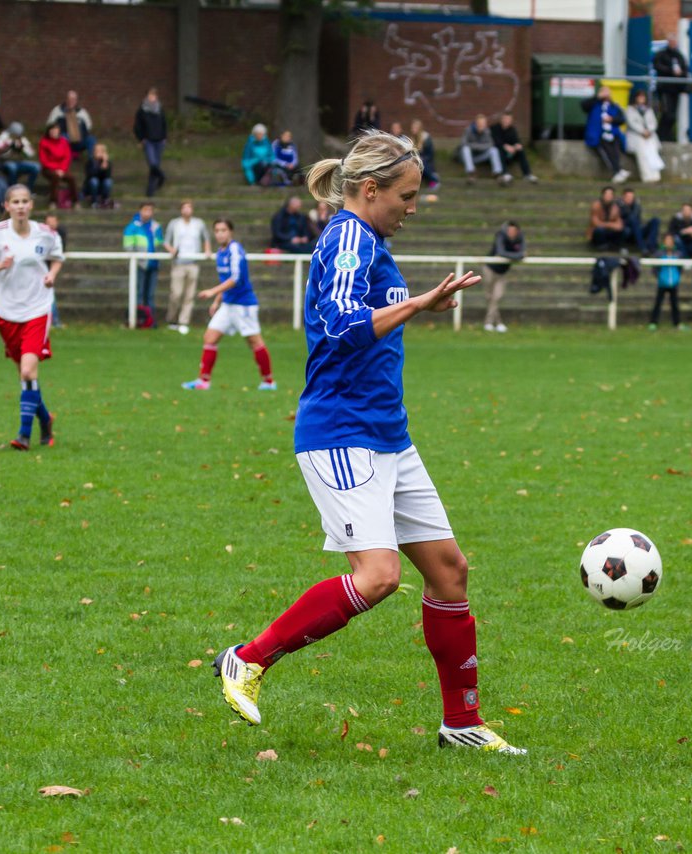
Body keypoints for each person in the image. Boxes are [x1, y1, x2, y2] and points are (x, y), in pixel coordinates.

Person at [213, 129, 525, 756]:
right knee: (378, 575)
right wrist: (419, 303)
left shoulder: (369, 238)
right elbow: (342, 326)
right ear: (370, 189)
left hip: (388, 433)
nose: (414, 206)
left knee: (449, 573)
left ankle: (461, 724)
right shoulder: (348, 236)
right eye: (406, 196)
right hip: (340, 434)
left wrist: (416, 304)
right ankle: (245, 659)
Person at [0, 184, 63, 451]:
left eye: (25, 201)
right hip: (7, 311)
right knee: (26, 377)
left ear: (31, 205)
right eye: (15, 202)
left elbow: (57, 258)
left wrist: (52, 275)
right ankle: (45, 419)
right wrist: (0, 265)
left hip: (37, 308)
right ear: (7, 206)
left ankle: (24, 435)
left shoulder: (45, 234)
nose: (20, 206)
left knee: (27, 371)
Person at [181, 219, 277, 392]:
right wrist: (217, 301)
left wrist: (212, 292)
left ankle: (268, 382)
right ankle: (203, 381)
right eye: (217, 230)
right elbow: (225, 281)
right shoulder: (220, 252)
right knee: (209, 337)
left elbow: (235, 278)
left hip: (243, 305)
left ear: (230, 232)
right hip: (228, 304)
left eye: (223, 230)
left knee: (254, 342)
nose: (220, 233)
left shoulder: (235, 250)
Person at [163, 199, 212, 335]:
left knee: (189, 295)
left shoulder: (198, 223)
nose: (187, 210)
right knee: (176, 293)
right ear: (181, 210)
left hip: (193, 262)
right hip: (178, 262)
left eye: (189, 207)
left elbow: (206, 238)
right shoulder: (174, 223)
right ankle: (172, 319)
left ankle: (184, 321)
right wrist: (172, 250)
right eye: (184, 207)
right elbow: (166, 241)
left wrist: (207, 250)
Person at [124, 201, 164, 328]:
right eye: (145, 210)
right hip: (140, 264)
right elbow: (128, 246)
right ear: (140, 211)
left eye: (150, 210)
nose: (147, 212)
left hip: (153, 264)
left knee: (150, 295)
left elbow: (159, 244)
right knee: (140, 293)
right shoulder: (132, 227)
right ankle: (138, 320)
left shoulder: (156, 227)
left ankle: (150, 321)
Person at [481, 221, 525, 333]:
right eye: (509, 230)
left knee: (497, 297)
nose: (511, 233)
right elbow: (501, 252)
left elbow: (522, 253)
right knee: (490, 297)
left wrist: (515, 256)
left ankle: (490, 323)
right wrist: (517, 256)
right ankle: (497, 323)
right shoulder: (500, 236)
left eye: (513, 231)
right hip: (489, 269)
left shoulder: (520, 238)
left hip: (503, 273)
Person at [584, 85, 628, 182]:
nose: (605, 94)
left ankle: (618, 170)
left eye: (607, 92)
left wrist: (612, 119)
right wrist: (597, 97)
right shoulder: (594, 104)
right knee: (606, 151)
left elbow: (622, 119)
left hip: (613, 134)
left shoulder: (614, 106)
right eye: (603, 92)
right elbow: (584, 105)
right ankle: (617, 171)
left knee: (615, 151)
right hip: (597, 135)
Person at [652, 34, 692, 142]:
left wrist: (681, 74)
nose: (673, 44)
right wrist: (671, 71)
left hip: (676, 90)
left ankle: (667, 136)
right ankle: (659, 135)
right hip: (664, 89)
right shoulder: (661, 54)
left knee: (673, 115)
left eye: (675, 42)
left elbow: (685, 70)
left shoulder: (679, 56)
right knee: (666, 113)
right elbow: (657, 66)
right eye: (671, 42)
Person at [133, 87, 167, 197]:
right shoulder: (142, 110)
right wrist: (141, 138)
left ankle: (150, 190)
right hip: (149, 141)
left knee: (156, 164)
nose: (152, 97)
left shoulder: (160, 109)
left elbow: (164, 124)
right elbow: (137, 126)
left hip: (159, 141)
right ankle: (161, 176)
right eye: (150, 95)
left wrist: (164, 137)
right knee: (152, 163)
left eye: (154, 95)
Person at [624, 90, 663, 184]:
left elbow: (653, 123)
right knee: (642, 155)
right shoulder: (630, 109)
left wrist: (649, 131)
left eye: (643, 97)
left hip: (649, 136)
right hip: (636, 137)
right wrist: (642, 131)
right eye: (639, 97)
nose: (641, 99)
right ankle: (646, 176)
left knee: (652, 154)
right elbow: (632, 123)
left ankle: (656, 176)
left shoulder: (648, 110)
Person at [648, 232, 684, 330]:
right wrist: (660, 277)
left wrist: (677, 277)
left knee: (675, 304)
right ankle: (653, 322)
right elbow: (654, 267)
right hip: (662, 282)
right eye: (667, 240)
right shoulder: (659, 253)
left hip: (674, 283)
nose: (669, 242)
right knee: (658, 303)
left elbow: (681, 268)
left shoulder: (678, 254)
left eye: (670, 240)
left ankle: (677, 323)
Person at [460, 114, 509, 186]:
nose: (482, 125)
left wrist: (474, 146)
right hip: (467, 157)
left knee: (494, 150)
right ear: (476, 123)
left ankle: (497, 174)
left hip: (480, 156)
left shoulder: (487, 131)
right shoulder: (468, 130)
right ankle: (471, 173)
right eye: (480, 123)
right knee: (465, 149)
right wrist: (480, 146)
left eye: (483, 124)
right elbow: (463, 143)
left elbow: (490, 144)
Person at [47, 90, 95, 159]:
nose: (71, 101)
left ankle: (92, 160)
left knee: (91, 139)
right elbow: (49, 125)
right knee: (64, 137)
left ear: (76, 100)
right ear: (66, 99)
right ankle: (64, 156)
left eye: (73, 99)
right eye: (69, 99)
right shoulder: (57, 111)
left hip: (79, 140)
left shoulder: (82, 112)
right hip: (63, 139)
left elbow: (89, 127)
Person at [490, 113, 536, 183]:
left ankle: (527, 174)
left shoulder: (512, 130)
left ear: (511, 121)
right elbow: (495, 141)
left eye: (508, 119)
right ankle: (505, 173)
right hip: (499, 154)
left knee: (521, 151)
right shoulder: (495, 128)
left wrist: (517, 146)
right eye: (505, 119)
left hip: (510, 154)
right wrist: (505, 146)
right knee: (499, 150)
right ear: (501, 119)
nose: (506, 121)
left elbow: (516, 141)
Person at [38, 124, 77, 207]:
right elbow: (43, 160)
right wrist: (56, 169)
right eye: (52, 130)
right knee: (55, 177)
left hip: (62, 169)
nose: (54, 132)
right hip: (48, 168)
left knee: (71, 178)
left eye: (56, 130)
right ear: (48, 132)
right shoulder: (44, 142)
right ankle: (53, 202)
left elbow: (67, 157)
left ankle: (75, 201)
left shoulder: (64, 141)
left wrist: (62, 169)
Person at [0, 122, 39, 188]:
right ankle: (13, 189)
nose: (17, 135)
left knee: (36, 167)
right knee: (12, 167)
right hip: (5, 161)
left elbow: (31, 154)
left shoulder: (22, 139)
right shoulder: (3, 137)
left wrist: (23, 147)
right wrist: (8, 146)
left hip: (19, 162)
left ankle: (29, 189)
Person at [618, 187, 660, 255]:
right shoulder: (618, 205)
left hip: (638, 231)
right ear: (623, 197)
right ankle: (643, 247)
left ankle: (651, 245)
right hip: (626, 232)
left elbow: (638, 219)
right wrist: (625, 206)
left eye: (632, 197)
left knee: (656, 220)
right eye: (628, 197)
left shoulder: (636, 206)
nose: (630, 199)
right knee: (633, 219)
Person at [588, 185, 625, 250]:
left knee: (623, 231)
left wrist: (606, 224)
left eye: (610, 195)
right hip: (598, 232)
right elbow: (596, 223)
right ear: (603, 195)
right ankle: (600, 246)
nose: (608, 196)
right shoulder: (596, 205)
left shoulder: (615, 207)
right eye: (607, 194)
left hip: (609, 231)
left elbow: (619, 226)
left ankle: (612, 246)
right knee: (600, 230)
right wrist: (611, 224)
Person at [410, 119, 439, 190]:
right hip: (416, 162)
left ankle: (434, 179)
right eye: (412, 128)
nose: (412, 129)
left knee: (421, 162)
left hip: (426, 162)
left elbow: (430, 154)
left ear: (419, 129)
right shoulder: (412, 139)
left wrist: (422, 158)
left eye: (415, 128)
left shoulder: (426, 139)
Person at [83, 142, 113, 208]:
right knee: (94, 180)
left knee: (108, 181)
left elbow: (108, 175)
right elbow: (90, 175)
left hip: (102, 186)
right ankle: (94, 201)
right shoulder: (90, 162)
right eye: (97, 151)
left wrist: (105, 162)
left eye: (101, 151)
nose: (99, 153)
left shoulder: (107, 162)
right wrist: (100, 168)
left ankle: (105, 200)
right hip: (91, 186)